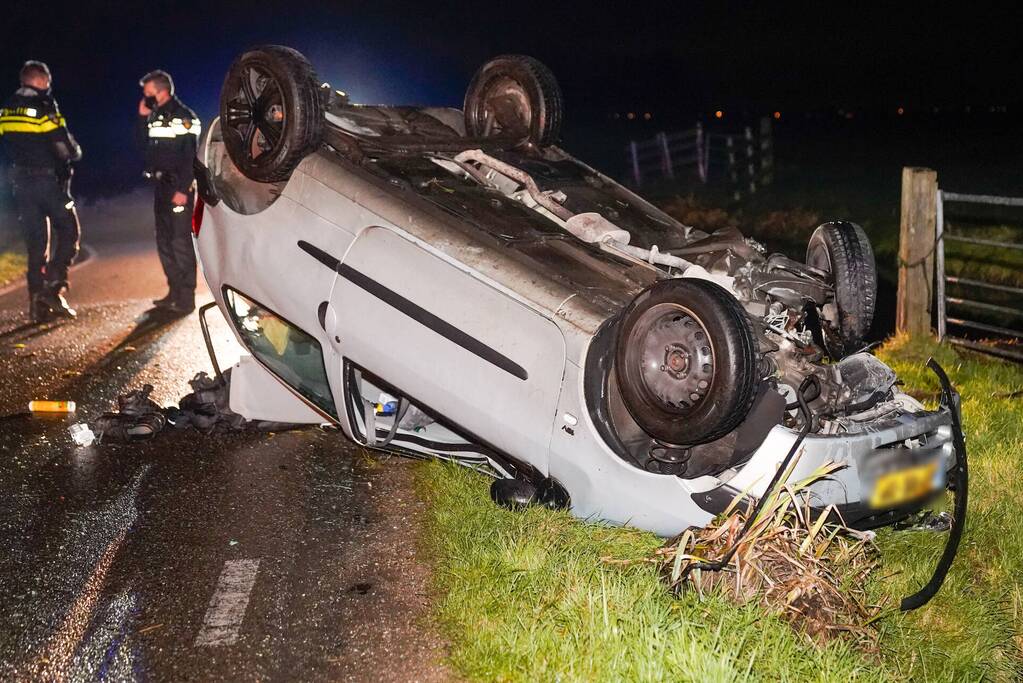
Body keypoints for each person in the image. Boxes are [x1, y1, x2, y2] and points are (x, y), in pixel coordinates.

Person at [0, 60, 82, 322]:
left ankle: (37, 307)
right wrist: (74, 152)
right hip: (48, 183)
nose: (48, 85)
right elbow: (63, 147)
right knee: (69, 232)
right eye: (47, 81)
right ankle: (54, 286)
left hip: (21, 187)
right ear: (40, 80)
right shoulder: (44, 106)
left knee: (36, 246)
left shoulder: (6, 108)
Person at [136, 70, 200, 314]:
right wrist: (142, 118)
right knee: (163, 241)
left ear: (161, 91)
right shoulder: (154, 116)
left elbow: (190, 157)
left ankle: (186, 298)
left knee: (179, 241)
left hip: (179, 187)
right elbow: (142, 147)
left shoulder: (184, 117)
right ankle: (173, 292)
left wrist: (184, 189)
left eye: (148, 93)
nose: (145, 97)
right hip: (161, 186)